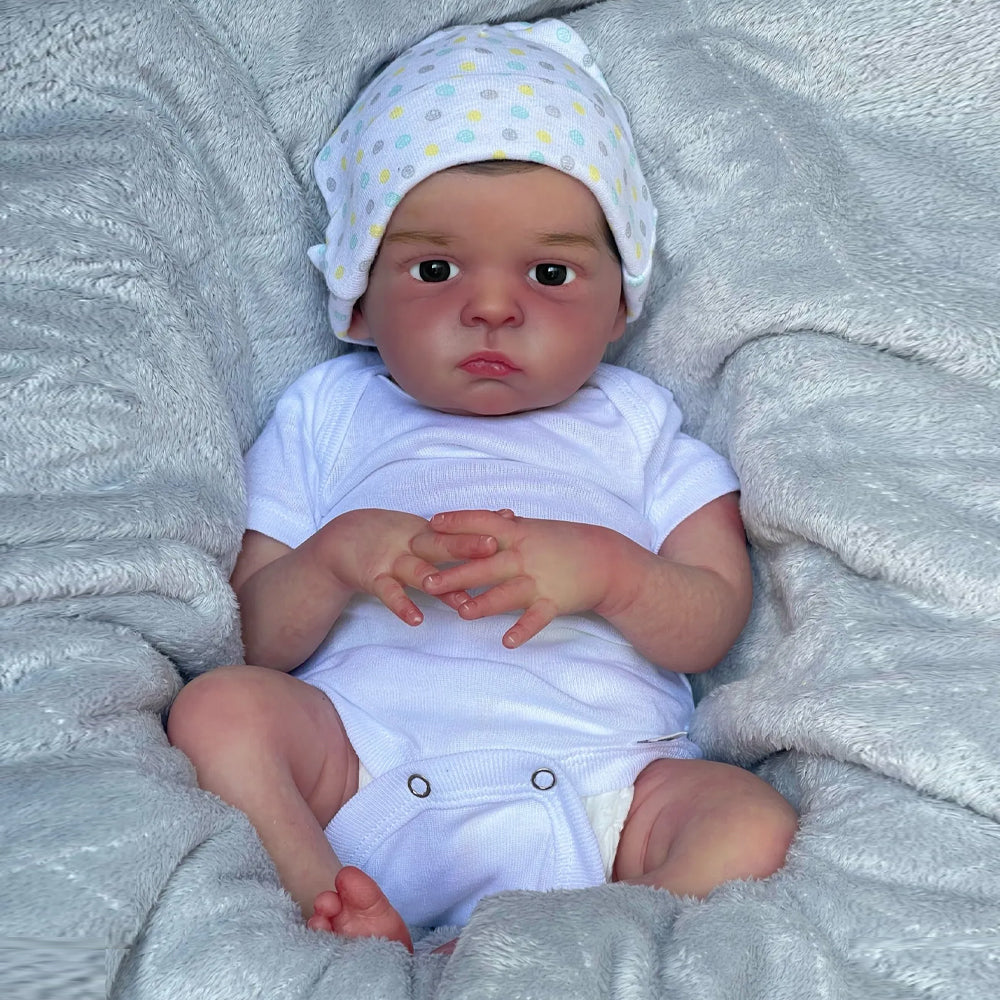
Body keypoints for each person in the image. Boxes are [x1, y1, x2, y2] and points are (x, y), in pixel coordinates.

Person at [167, 19, 797, 951]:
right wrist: (333, 561)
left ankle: (573, 937)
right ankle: (334, 904)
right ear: (358, 298)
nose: (493, 307)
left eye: (550, 272)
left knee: (751, 823)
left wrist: (610, 573)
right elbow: (250, 638)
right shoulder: (327, 412)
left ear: (620, 306)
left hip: (607, 788)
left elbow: (710, 623)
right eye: (434, 269)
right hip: (364, 768)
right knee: (218, 710)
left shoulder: (640, 422)